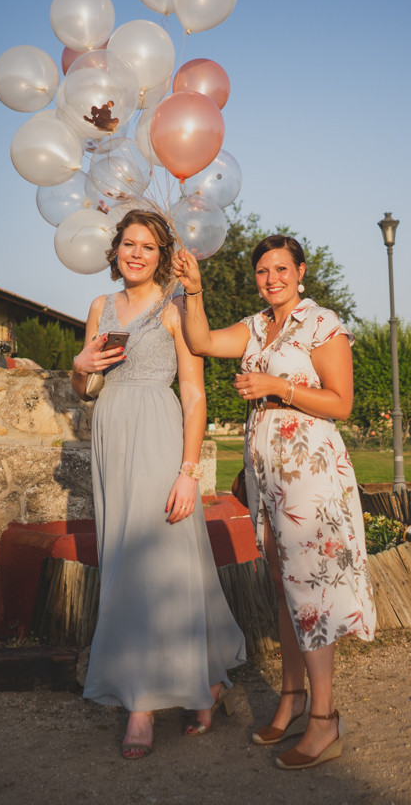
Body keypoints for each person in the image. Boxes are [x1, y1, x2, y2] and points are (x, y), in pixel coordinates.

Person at [172, 235, 376, 771]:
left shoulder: (321, 323)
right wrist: (193, 291)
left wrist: (275, 385)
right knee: (286, 590)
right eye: (263, 271)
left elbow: (342, 402)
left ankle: (326, 722)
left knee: (311, 592)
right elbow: (200, 342)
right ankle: (292, 698)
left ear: (300, 270)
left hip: (311, 476)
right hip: (268, 480)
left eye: (281, 268)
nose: (272, 278)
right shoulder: (257, 326)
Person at [70, 209, 246, 760]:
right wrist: (80, 364)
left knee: (165, 562)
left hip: (160, 436)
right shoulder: (100, 306)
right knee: (125, 562)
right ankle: (193, 685)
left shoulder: (175, 305)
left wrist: (189, 473)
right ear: (115, 249)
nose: (137, 253)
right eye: (128, 243)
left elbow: (194, 395)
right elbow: (85, 388)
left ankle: (148, 706)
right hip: (111, 437)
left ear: (162, 253)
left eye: (148, 245)